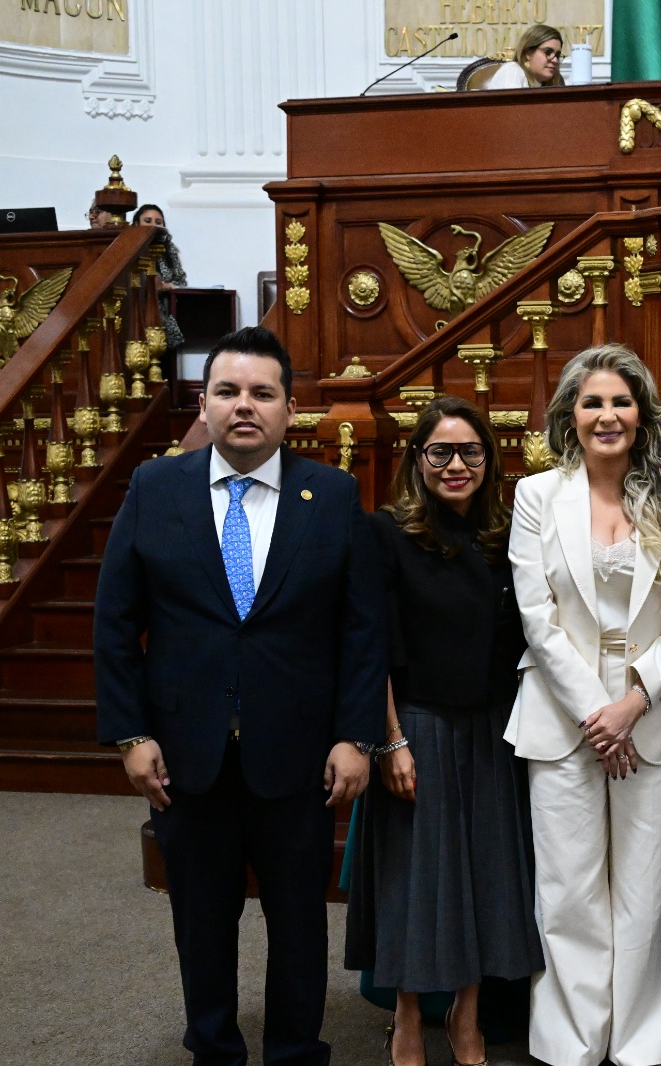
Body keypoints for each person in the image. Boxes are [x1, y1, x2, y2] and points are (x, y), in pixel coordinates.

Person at [94, 325, 387, 1065]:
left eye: (262, 392)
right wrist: (131, 734)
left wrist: (356, 735)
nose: (244, 405)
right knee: (201, 922)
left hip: (299, 757)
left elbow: (362, 629)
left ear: (290, 409)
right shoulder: (155, 488)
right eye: (227, 391)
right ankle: (214, 1050)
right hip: (184, 757)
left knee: (298, 922)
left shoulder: (333, 495)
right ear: (205, 404)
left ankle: (295, 1051)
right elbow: (115, 619)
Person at [507, 344, 661, 1066]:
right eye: (591, 402)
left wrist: (633, 701)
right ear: (570, 415)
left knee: (649, 886)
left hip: (653, 717)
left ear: (641, 413)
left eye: (620, 402)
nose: (606, 415)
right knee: (569, 888)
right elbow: (537, 617)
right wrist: (598, 712)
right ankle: (572, 1042)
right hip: (562, 719)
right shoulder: (537, 495)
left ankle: (644, 1041)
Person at [344, 396, 542, 1066]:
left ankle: (467, 1016)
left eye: (470, 452)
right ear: (417, 459)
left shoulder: (505, 538)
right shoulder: (385, 533)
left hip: (491, 730)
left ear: (490, 461)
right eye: (441, 452)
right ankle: (406, 1017)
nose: (456, 465)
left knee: (484, 878)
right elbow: (371, 645)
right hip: (417, 729)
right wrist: (390, 740)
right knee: (416, 882)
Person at [135, 202, 189, 353]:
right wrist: (148, 285)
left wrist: (167, 285)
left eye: (158, 222)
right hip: (137, 311)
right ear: (136, 224)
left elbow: (180, 281)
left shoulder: (168, 249)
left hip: (163, 313)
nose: (153, 225)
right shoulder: (130, 248)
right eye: (147, 221)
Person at [485, 24, 564, 89]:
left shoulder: (554, 81)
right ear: (528, 53)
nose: (555, 60)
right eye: (548, 52)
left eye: (557, 55)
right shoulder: (512, 71)